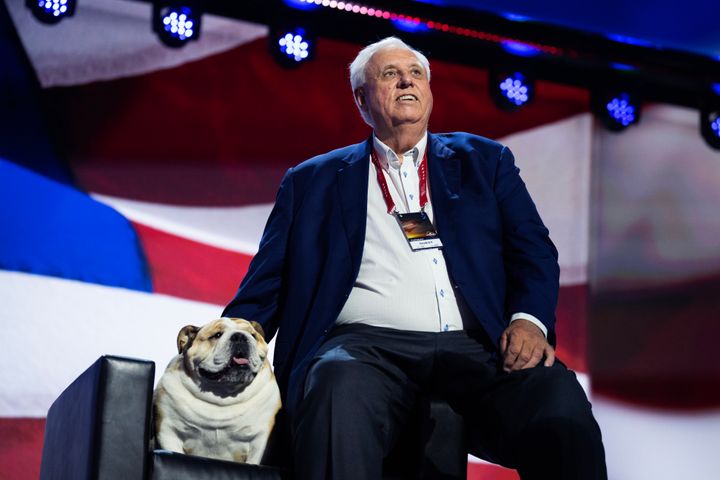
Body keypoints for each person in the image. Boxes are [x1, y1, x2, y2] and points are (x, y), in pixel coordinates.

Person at [224, 36, 606, 479]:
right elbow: (268, 282)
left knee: (558, 402)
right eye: (390, 74)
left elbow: (533, 249)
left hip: (478, 345)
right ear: (361, 99)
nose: (407, 80)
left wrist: (528, 321)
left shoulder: (485, 161)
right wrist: (226, 339)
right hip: (365, 348)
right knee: (334, 384)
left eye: (416, 73)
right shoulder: (312, 181)